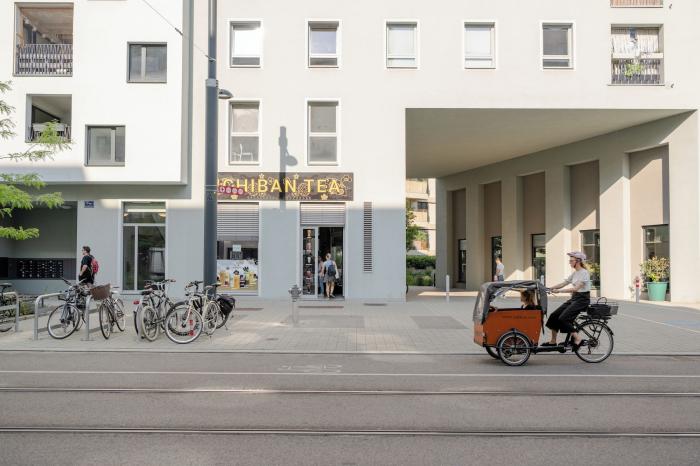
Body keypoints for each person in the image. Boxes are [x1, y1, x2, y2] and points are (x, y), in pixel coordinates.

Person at [543, 251, 591, 348]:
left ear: (578, 261)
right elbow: (563, 284)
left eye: (571, 261)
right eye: (570, 261)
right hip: (575, 298)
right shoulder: (575, 273)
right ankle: (553, 341)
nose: (569, 262)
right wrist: (549, 288)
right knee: (554, 315)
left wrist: (559, 291)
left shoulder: (584, 273)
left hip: (582, 300)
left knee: (563, 318)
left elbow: (575, 288)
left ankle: (578, 339)